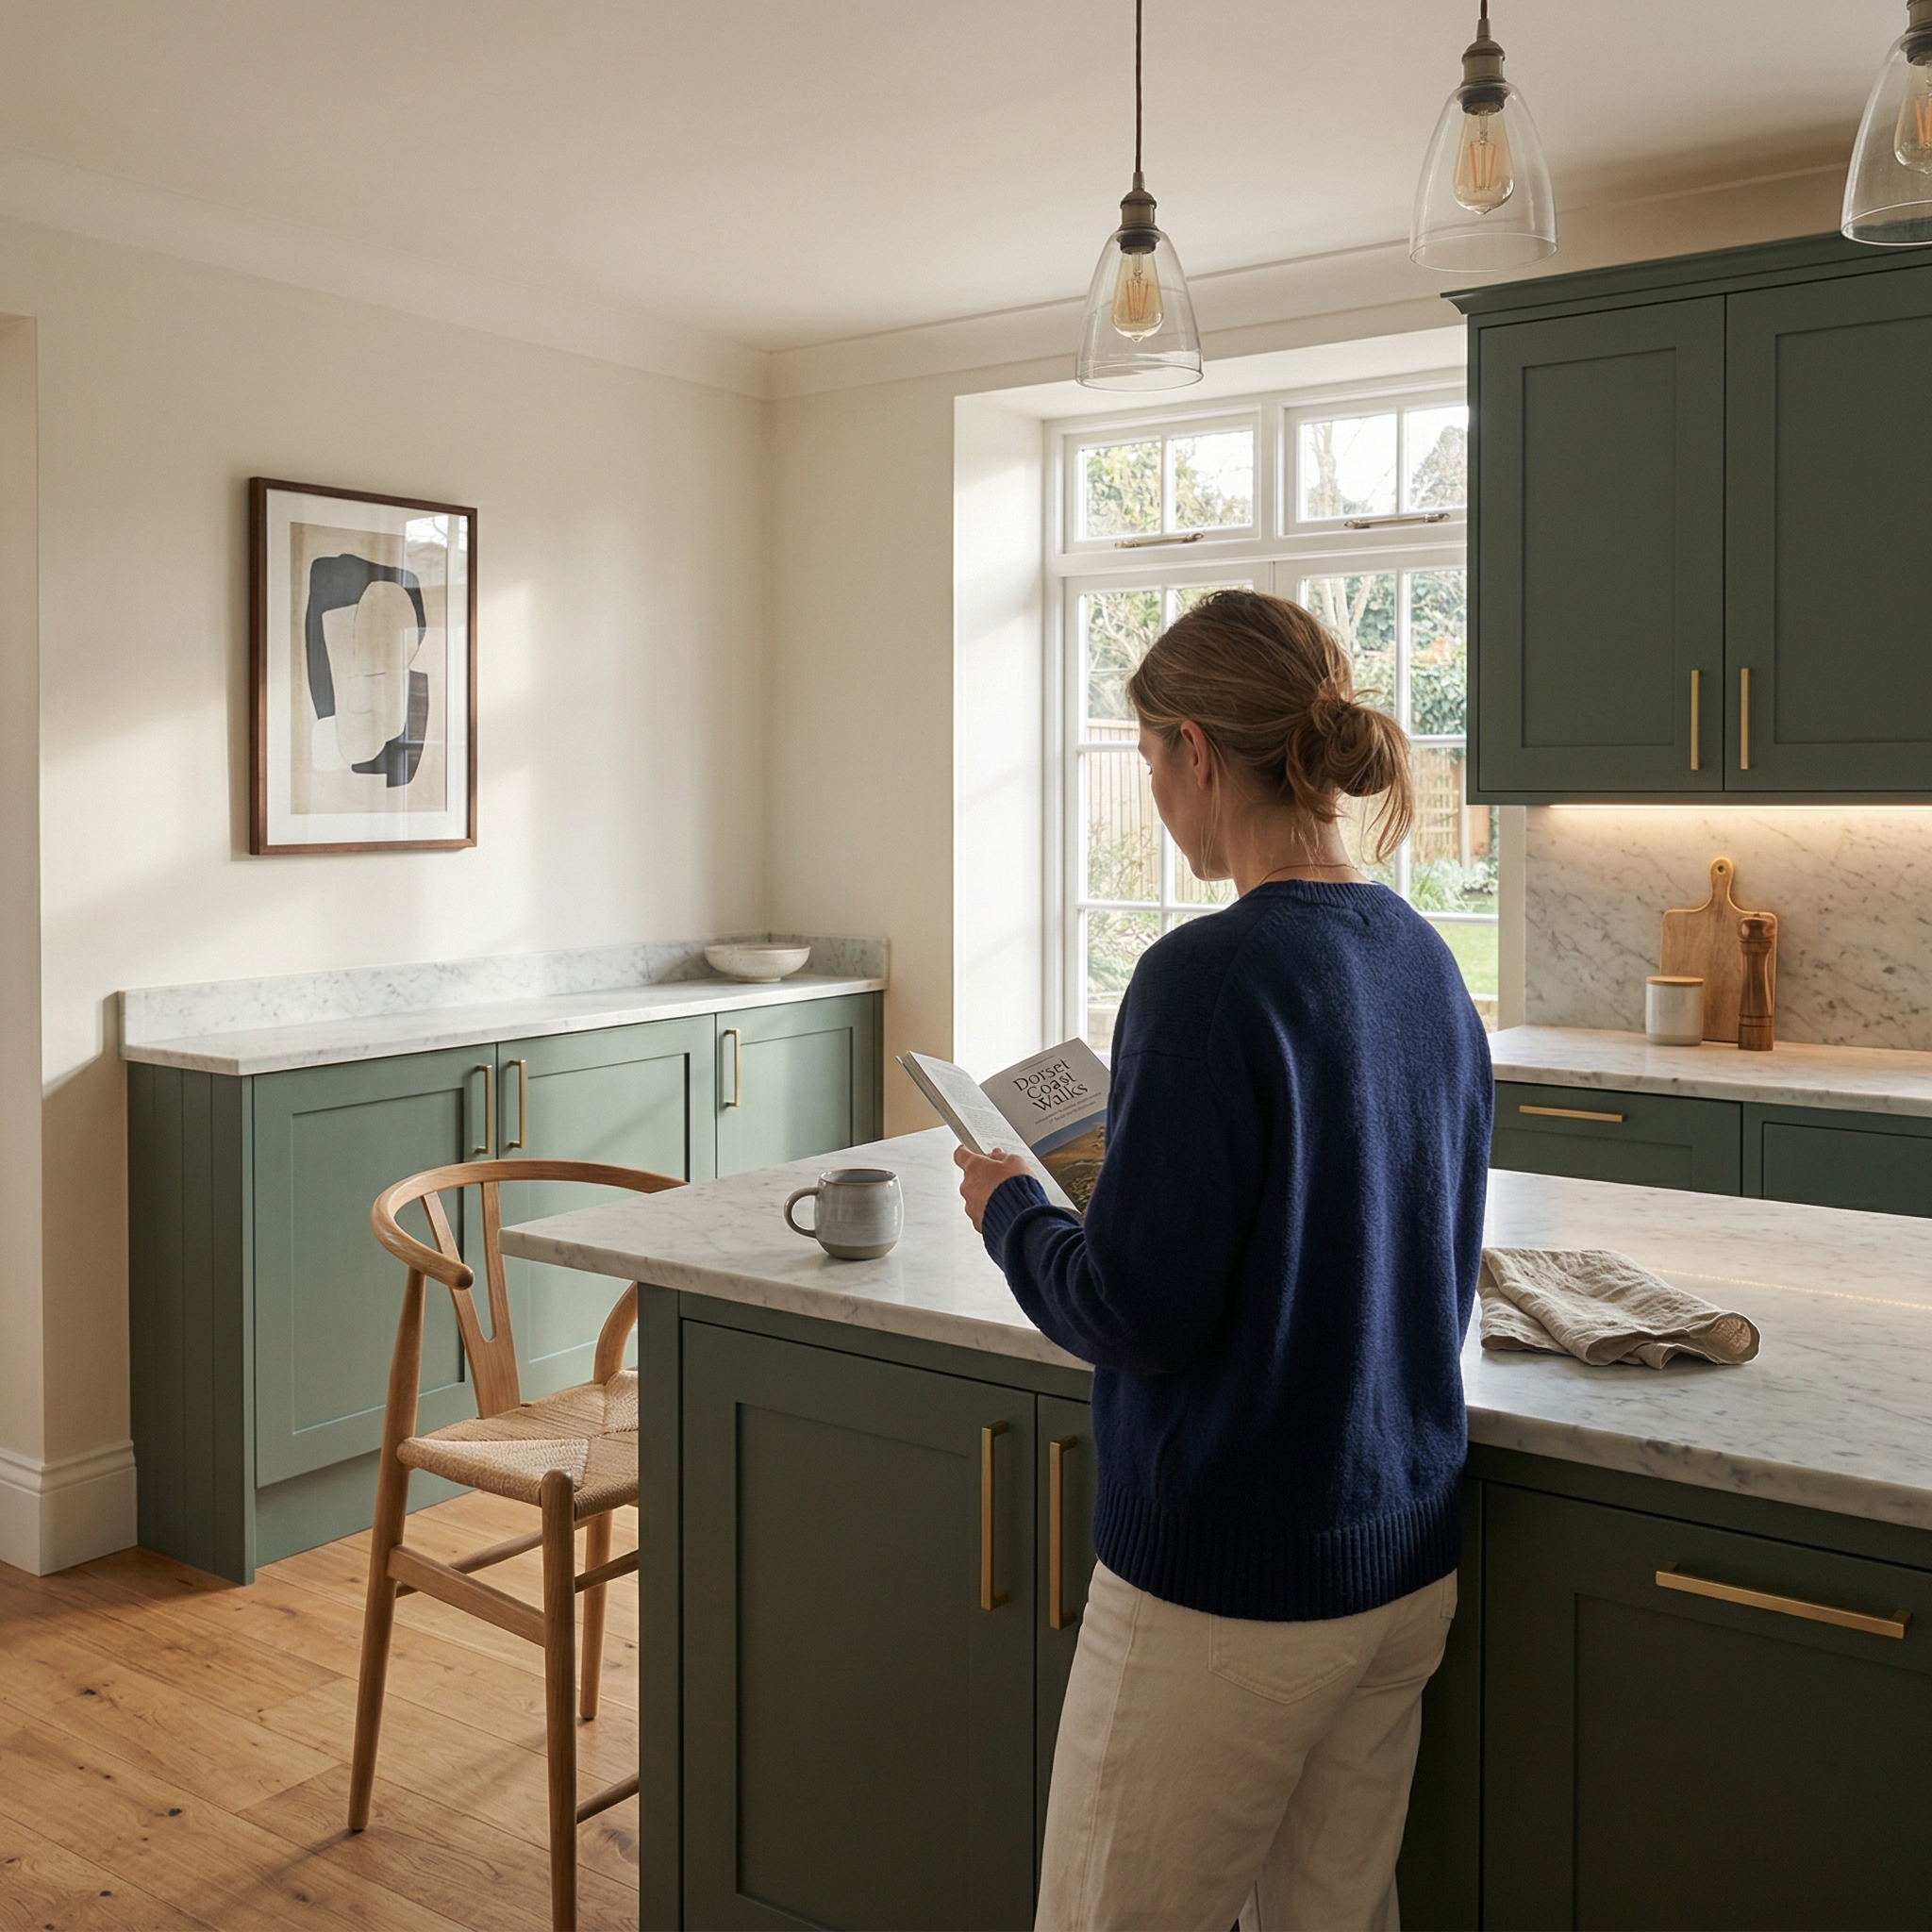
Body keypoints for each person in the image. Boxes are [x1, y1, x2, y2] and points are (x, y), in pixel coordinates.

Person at [956, 589, 1492, 1932]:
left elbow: (1133, 1308)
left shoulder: (1206, 976)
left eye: (1148, 763)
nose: (1156, 797)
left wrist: (1015, 1212)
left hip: (1232, 1586)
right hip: (1401, 1562)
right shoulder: (1426, 963)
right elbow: (1421, 1247)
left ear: (1196, 749)